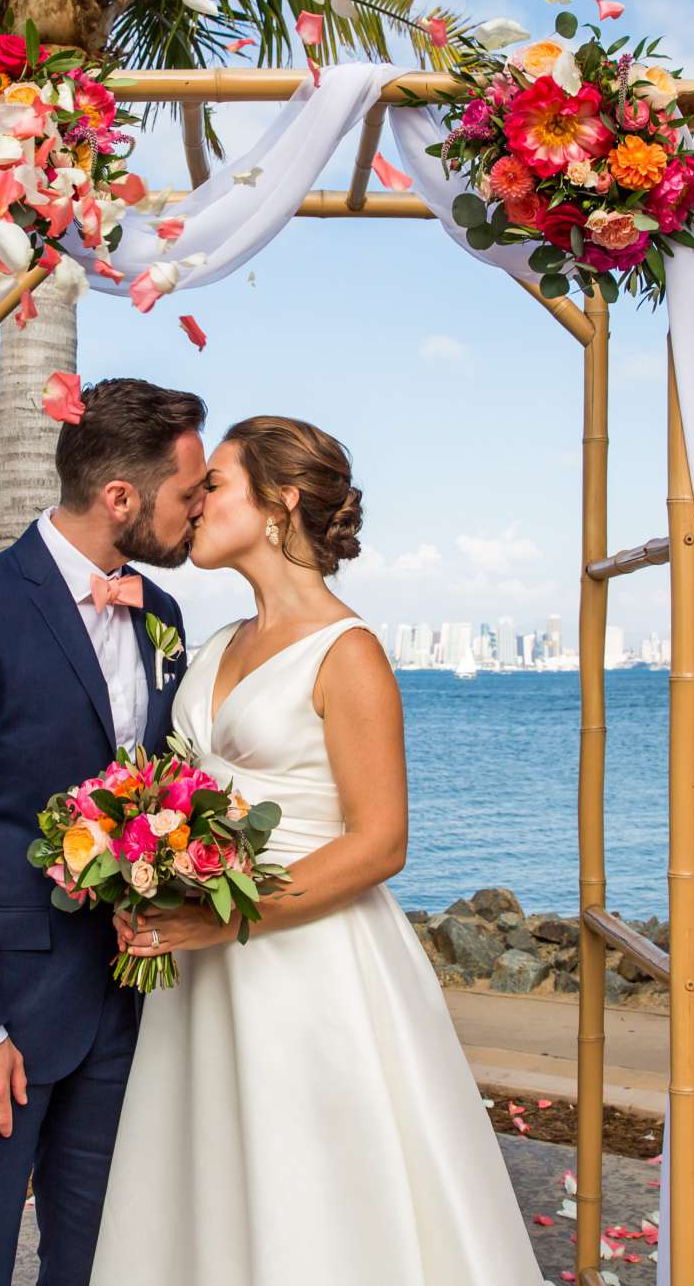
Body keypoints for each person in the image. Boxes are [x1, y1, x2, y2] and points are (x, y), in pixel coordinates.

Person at [92, 416, 542, 1285]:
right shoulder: (215, 644)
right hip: (200, 973)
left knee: (318, 1195)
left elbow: (381, 843)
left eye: (214, 483)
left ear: (279, 502)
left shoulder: (351, 653)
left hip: (308, 965)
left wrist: (221, 922)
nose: (194, 502)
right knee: (202, 1189)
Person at [0, 378, 206, 1286]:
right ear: (121, 499)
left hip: (124, 1007)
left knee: (101, 1260)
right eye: (189, 492)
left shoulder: (164, 617)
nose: (200, 510)